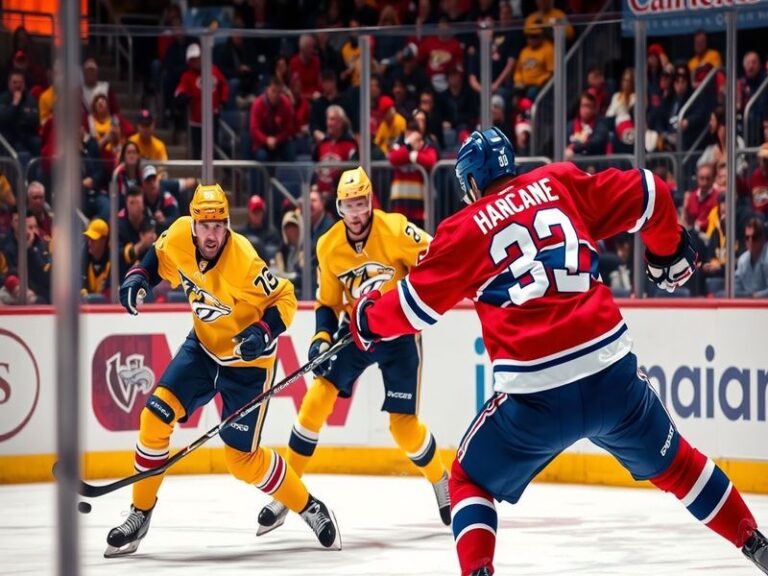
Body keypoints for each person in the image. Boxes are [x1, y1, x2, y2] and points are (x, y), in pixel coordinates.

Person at [349, 127, 768, 576]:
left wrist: (364, 319)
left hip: (536, 398)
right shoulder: (559, 183)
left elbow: (410, 310)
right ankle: (755, 542)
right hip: (613, 375)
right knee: (680, 466)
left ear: (470, 183)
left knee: (469, 480)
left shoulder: (465, 228)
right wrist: (666, 253)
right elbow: (650, 190)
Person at [106, 183, 341, 557]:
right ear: (194, 224)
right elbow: (158, 256)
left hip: (248, 366)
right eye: (205, 224)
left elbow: (286, 297)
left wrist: (263, 331)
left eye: (219, 225)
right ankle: (140, 514)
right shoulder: (181, 234)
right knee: (154, 418)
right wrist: (139, 277)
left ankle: (309, 506)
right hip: (201, 349)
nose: (212, 233)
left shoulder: (243, 260)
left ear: (227, 224)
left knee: (241, 461)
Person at [257, 167, 451, 535]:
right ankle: (288, 492)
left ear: (370, 202)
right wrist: (321, 338)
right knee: (314, 402)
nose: (357, 213)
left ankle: (441, 480)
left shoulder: (395, 229)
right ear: (339, 207)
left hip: (400, 337)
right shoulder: (327, 245)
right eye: (349, 205)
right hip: (357, 336)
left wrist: (410, 299)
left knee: (404, 429)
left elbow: (436, 257)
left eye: (362, 203)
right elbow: (327, 303)